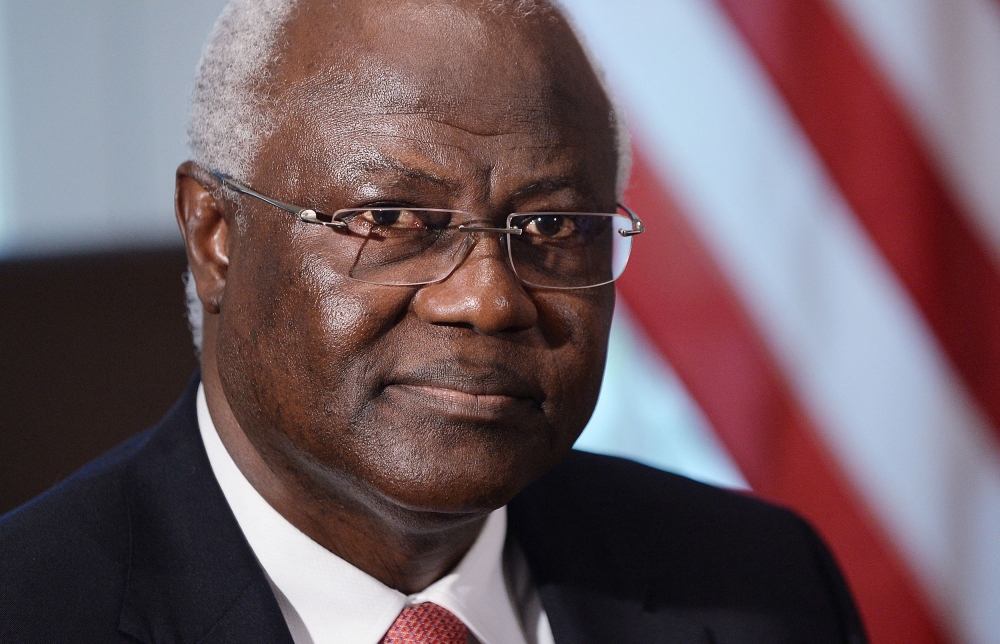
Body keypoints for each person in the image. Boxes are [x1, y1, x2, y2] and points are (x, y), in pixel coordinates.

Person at [0, 0, 867, 642]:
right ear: (216, 236)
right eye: (391, 219)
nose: (489, 299)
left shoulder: (763, 591)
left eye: (555, 227)